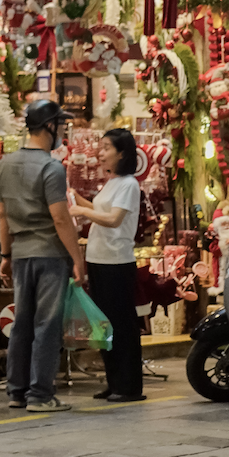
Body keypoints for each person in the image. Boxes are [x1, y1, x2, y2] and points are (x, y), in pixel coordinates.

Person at [0, 100, 88, 412]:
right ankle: (40, 394)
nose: (62, 130)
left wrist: (5, 254)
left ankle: (17, 391)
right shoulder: (51, 168)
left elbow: (3, 216)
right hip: (49, 255)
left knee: (21, 323)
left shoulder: (6, 165)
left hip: (20, 254)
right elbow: (61, 219)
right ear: (49, 126)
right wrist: (77, 258)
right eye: (60, 125)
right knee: (47, 324)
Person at [71, 127, 145, 402]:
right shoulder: (112, 182)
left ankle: (129, 386)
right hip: (98, 259)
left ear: (122, 153)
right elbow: (98, 209)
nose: (99, 153)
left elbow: (113, 219)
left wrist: (81, 210)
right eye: (99, 148)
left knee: (122, 323)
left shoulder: (129, 184)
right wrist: (74, 198)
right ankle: (114, 382)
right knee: (104, 323)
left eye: (105, 148)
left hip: (117, 261)